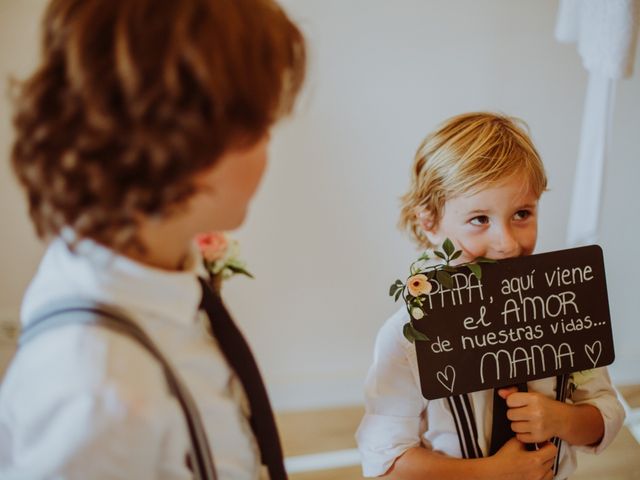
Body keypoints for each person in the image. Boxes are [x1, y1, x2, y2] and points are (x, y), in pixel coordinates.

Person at [0, 0, 305, 478]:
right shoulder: (99, 393)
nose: (270, 147)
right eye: (262, 126)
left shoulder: (157, 273)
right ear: (187, 140)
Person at [355, 112, 625, 480]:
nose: (507, 244)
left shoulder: (564, 307)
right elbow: (385, 463)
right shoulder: (407, 337)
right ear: (430, 223)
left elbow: (605, 412)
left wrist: (562, 418)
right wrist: (491, 473)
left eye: (522, 214)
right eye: (480, 219)